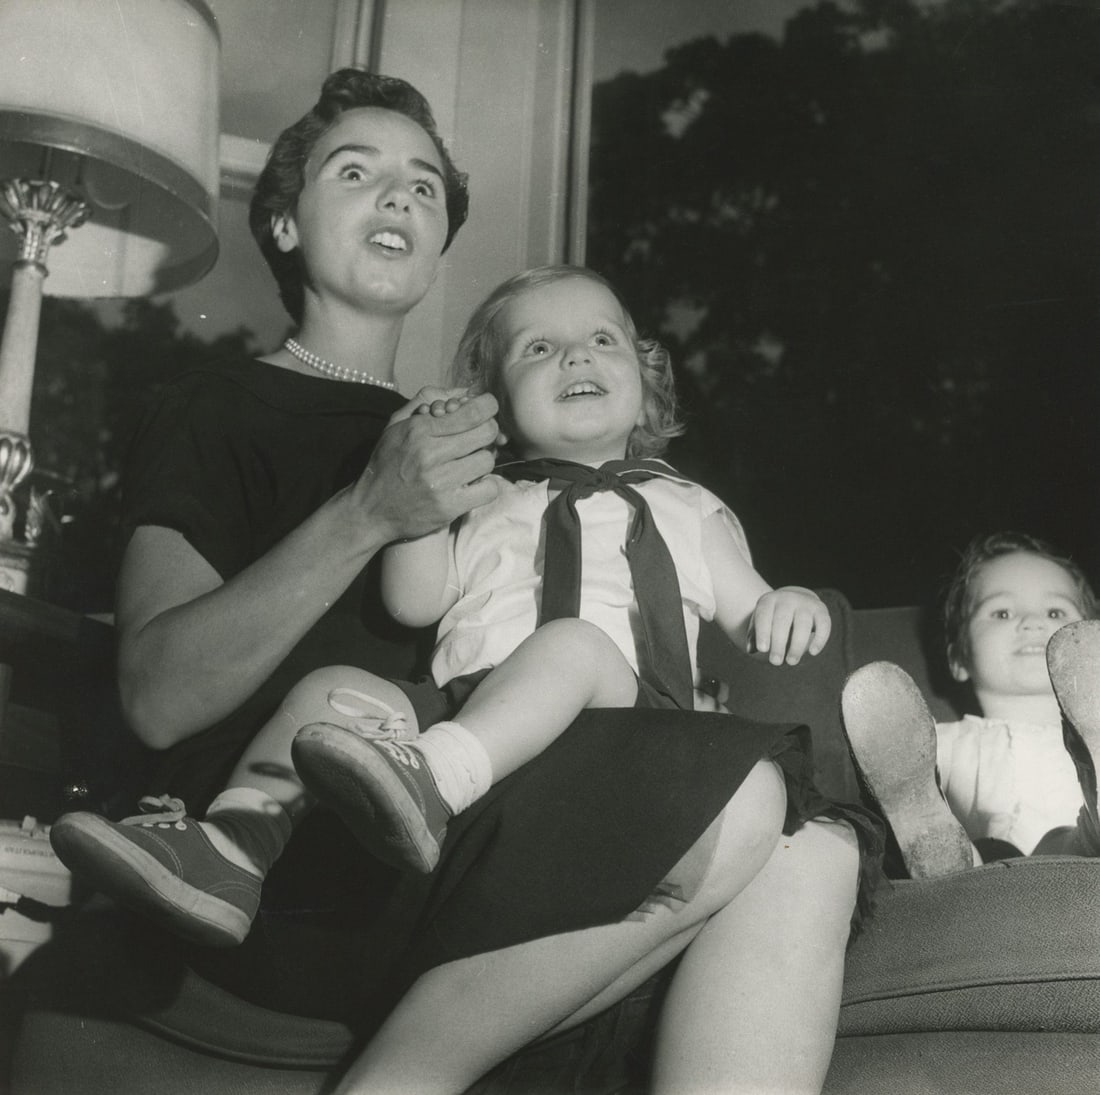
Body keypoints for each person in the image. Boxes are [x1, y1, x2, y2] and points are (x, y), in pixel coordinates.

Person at [48, 68, 878, 1095]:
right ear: (284, 223)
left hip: (514, 824)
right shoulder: (216, 407)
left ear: (441, 239)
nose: (398, 196)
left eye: (424, 185)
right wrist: (371, 510)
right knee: (750, 799)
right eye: (356, 172)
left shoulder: (495, 451)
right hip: (332, 853)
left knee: (816, 850)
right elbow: (157, 696)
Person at [289, 264, 832, 877]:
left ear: (645, 388)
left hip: (628, 724)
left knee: (574, 645)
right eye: (540, 348)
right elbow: (411, 603)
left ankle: (435, 778)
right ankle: (235, 847)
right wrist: (424, 485)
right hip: (469, 711)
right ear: (492, 404)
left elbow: (753, 616)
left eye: (602, 339)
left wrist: (788, 603)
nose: (576, 356)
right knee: (325, 690)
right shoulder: (478, 498)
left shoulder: (688, 506)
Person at [841, 531, 1100, 878]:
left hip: (1081, 874)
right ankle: (941, 852)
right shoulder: (935, 741)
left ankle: (1095, 824)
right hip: (983, 879)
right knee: (984, 850)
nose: (1033, 622)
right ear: (959, 658)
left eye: (1055, 611)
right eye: (1002, 613)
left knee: (1069, 842)